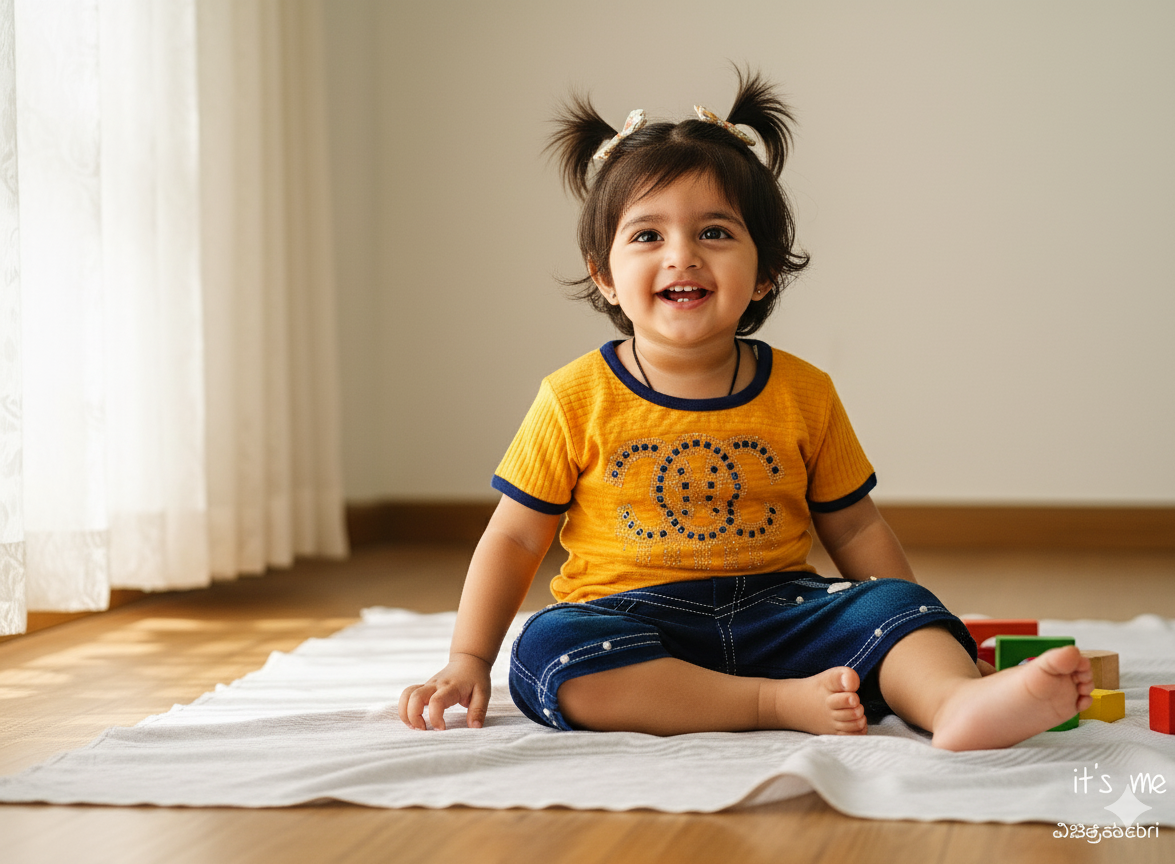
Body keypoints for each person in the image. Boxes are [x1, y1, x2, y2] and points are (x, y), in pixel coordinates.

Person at [398, 70, 1093, 750]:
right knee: (551, 648)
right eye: (647, 236)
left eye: (715, 233)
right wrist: (468, 659)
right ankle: (771, 703)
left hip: (782, 614)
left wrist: (917, 626)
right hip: (633, 622)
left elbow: (854, 529)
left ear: (765, 272)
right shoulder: (572, 397)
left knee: (892, 605)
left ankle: (954, 703)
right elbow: (516, 541)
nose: (682, 257)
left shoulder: (804, 391)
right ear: (603, 275)